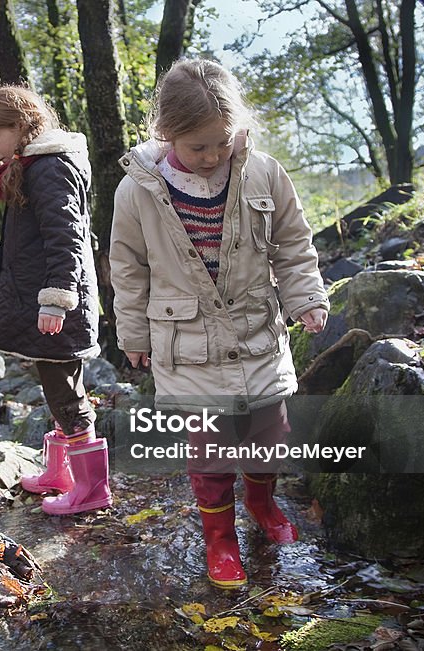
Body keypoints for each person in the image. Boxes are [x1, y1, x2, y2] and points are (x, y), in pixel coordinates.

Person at [109, 58, 328, 587]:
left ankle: (262, 503)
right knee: (209, 452)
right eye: (196, 147)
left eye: (221, 143)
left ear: (238, 129)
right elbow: (127, 269)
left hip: (257, 333)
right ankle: (220, 538)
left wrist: (306, 298)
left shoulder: (265, 173)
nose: (210, 157)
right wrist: (134, 335)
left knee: (269, 435)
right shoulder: (138, 191)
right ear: (166, 135)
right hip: (186, 344)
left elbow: (293, 246)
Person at [0, 86, 110, 516]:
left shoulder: (49, 167)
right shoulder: (37, 164)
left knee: (65, 390)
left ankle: (91, 490)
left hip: (58, 302)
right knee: (55, 386)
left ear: (20, 125)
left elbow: (66, 237)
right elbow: (44, 232)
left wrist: (56, 300)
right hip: (50, 296)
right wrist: (7, 250)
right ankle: (60, 473)